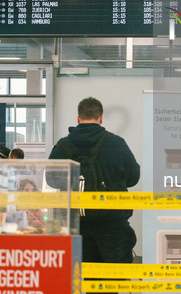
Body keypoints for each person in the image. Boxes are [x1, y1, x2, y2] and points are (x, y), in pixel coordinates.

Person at [48, 97, 140, 264]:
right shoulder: (116, 144)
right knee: (112, 279)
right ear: (101, 118)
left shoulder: (62, 147)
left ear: (78, 118)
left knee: (82, 277)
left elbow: (52, 181)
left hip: (75, 226)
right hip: (113, 227)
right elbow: (134, 178)